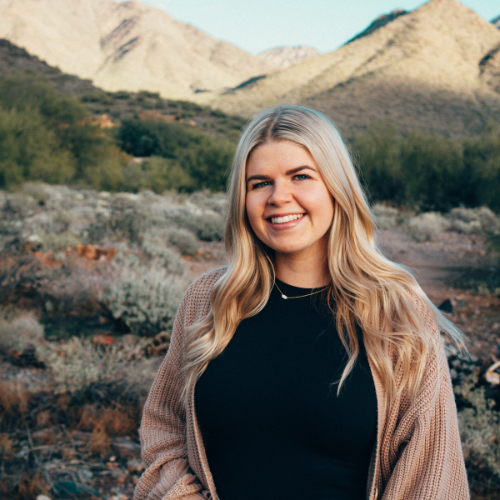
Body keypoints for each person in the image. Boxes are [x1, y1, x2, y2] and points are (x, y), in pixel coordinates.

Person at [134, 105, 469, 500]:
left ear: (336, 185)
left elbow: (432, 471)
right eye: (259, 183)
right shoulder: (209, 300)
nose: (279, 197)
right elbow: (163, 424)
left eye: (301, 176)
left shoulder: (394, 308)